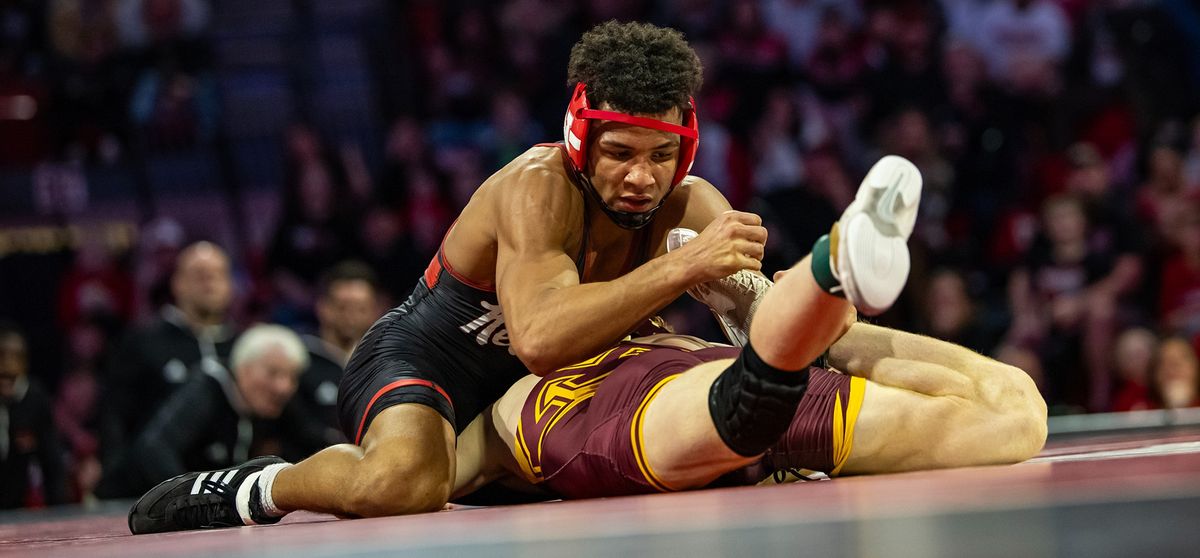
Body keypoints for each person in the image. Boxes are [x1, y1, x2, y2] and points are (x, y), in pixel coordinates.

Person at [128, 21, 913, 532]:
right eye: (621, 154)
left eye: (660, 154)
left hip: (543, 399)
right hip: (430, 362)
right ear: (581, 137)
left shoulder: (694, 204)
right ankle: (260, 488)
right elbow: (537, 337)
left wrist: (824, 288)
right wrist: (683, 268)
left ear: (688, 146)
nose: (643, 178)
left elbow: (768, 326)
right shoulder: (535, 186)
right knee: (404, 483)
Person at [98, 325, 323, 498]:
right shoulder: (208, 388)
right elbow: (153, 448)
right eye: (273, 373)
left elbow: (315, 439)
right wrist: (196, 501)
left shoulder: (272, 400)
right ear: (242, 368)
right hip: (123, 506)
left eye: (292, 376)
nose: (283, 387)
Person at [98, 241, 238, 475]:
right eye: (199, 275)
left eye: (217, 275)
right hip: (159, 487)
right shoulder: (143, 341)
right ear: (177, 283)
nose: (209, 282)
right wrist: (114, 474)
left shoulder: (245, 348)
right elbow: (114, 416)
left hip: (232, 488)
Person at [297, 261, 385, 442]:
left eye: (361, 308)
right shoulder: (298, 360)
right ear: (323, 308)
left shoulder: (382, 364)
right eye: (343, 307)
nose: (351, 316)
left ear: (374, 311)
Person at [0, 322, 68, 508]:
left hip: (17, 506)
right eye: (2, 355)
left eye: (16, 357)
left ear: (25, 363)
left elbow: (51, 462)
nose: (7, 364)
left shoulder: (35, 399)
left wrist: (59, 514)